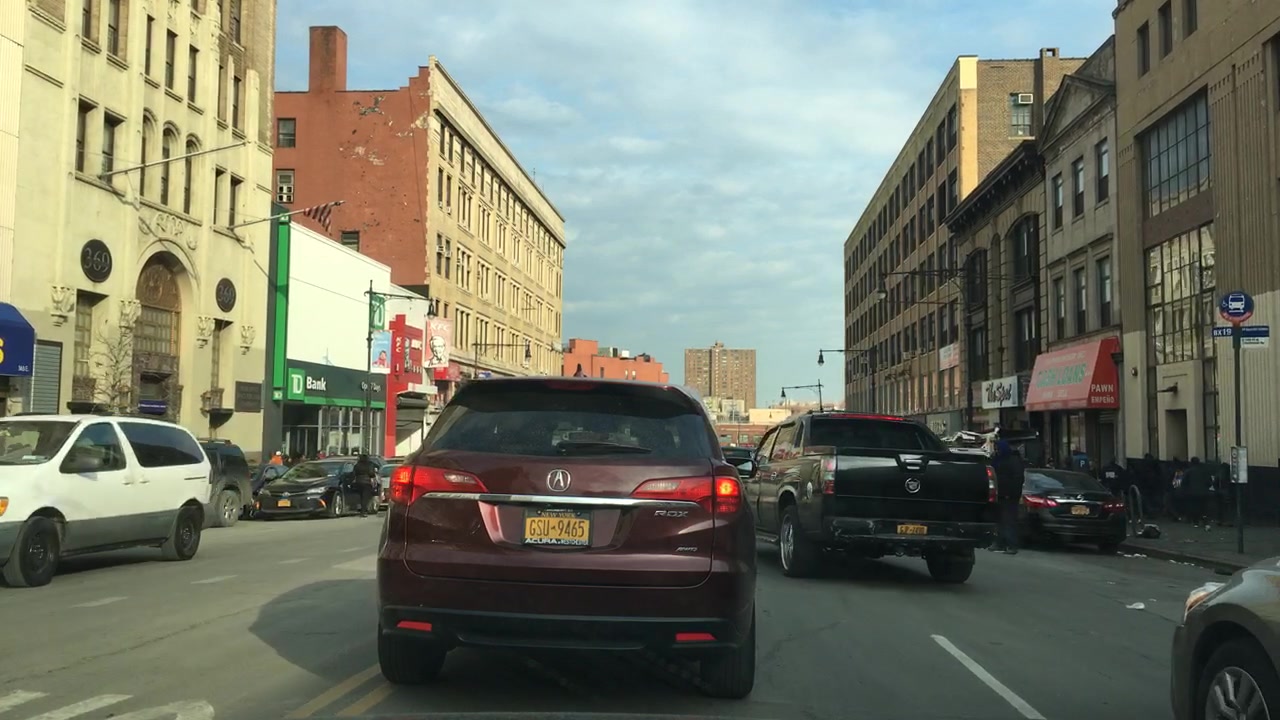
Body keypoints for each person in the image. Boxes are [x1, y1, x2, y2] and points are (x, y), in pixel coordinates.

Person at [990, 439, 1026, 555]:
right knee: (999, 520)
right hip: (998, 495)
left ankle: (1012, 545)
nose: (996, 451)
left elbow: (1017, 479)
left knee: (1009, 521)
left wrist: (1011, 493)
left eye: (998, 449)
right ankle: (999, 542)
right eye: (995, 449)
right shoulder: (997, 460)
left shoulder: (1013, 461)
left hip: (1009, 496)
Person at [352, 452, 377, 517]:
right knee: (365, 497)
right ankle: (363, 512)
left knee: (361, 496)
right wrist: (373, 477)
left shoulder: (357, 465)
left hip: (358, 482)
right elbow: (371, 473)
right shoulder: (370, 464)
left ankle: (362, 510)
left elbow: (353, 473)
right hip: (367, 482)